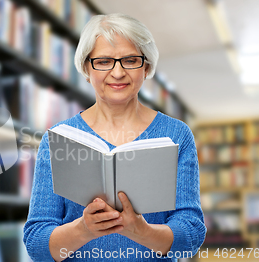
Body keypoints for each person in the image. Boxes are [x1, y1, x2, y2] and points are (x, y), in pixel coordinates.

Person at [23, 13, 206, 261]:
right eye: (104, 61)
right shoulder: (58, 138)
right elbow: (36, 245)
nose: (117, 73)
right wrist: (83, 229)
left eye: (130, 60)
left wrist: (141, 231)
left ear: (147, 66)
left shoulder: (177, 135)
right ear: (87, 68)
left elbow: (191, 235)